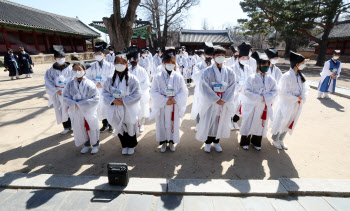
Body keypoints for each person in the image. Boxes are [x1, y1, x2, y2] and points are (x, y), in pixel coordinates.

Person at [196, 46, 236, 153]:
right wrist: (215, 99)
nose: (221, 58)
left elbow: (232, 86)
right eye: (218, 56)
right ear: (213, 57)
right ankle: (208, 142)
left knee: (220, 121)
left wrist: (224, 99)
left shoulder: (229, 72)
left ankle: (216, 142)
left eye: (223, 56)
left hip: (223, 102)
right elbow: (204, 86)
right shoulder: (207, 71)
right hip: (211, 102)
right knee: (209, 121)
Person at [102, 54, 141, 155]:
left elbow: (137, 93)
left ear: (126, 64)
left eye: (122, 63)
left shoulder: (132, 79)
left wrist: (124, 101)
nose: (120, 65)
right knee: (119, 126)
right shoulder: (109, 79)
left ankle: (131, 145)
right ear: (114, 64)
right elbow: (105, 92)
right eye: (117, 63)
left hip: (128, 108)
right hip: (115, 107)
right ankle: (124, 145)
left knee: (130, 126)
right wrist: (113, 100)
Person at [149, 53, 188, 153]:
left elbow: (183, 90)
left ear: (175, 64)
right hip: (163, 105)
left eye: (172, 63)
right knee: (161, 123)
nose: (170, 64)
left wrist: (175, 99)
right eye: (168, 63)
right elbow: (153, 91)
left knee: (173, 123)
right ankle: (163, 142)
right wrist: (165, 100)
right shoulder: (157, 77)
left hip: (174, 105)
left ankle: (171, 141)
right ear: (163, 63)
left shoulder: (178, 77)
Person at [271, 51, 310, 150]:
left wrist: (303, 96)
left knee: (290, 121)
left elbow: (306, 88)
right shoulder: (286, 76)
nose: (304, 65)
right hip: (286, 104)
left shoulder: (300, 76)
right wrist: (296, 98)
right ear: (297, 64)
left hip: (296, 105)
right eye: (302, 63)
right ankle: (275, 139)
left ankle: (281, 139)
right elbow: (283, 92)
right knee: (281, 120)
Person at [239, 52, 278, 151]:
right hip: (252, 105)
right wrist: (258, 97)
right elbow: (246, 91)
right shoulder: (251, 78)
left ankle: (256, 141)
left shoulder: (271, 79)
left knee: (260, 124)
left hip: (263, 105)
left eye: (267, 65)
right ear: (258, 65)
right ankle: (245, 141)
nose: (265, 66)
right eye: (263, 64)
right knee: (248, 122)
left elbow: (275, 90)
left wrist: (266, 97)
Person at [63, 62, 100, 154]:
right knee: (79, 127)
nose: (77, 71)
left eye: (79, 70)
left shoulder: (90, 84)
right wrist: (73, 103)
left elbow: (95, 98)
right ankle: (86, 144)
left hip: (88, 110)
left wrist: (81, 104)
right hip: (76, 110)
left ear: (84, 71)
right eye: (75, 70)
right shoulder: (70, 84)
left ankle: (95, 144)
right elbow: (65, 96)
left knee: (92, 126)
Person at [44, 45, 73, 134]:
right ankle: (66, 127)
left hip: (69, 93)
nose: (61, 58)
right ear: (55, 58)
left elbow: (73, 79)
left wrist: (67, 90)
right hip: (58, 93)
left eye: (63, 57)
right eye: (59, 57)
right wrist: (56, 90)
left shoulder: (70, 68)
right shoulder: (50, 70)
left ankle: (74, 126)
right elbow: (48, 81)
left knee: (71, 110)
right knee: (61, 110)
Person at [86, 45, 115, 133]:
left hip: (107, 89)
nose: (98, 55)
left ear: (104, 55)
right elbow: (87, 77)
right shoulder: (91, 66)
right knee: (100, 108)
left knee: (108, 107)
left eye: (100, 53)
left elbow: (112, 76)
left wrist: (103, 83)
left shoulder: (110, 65)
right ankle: (104, 124)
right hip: (96, 90)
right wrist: (95, 83)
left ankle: (111, 125)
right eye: (96, 53)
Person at [231, 42, 255, 130]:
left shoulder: (248, 68)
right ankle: (230, 121)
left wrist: (246, 88)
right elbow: (232, 81)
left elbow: (251, 79)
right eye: (243, 57)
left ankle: (235, 121)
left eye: (246, 58)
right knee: (232, 106)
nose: (245, 59)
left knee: (241, 107)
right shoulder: (233, 68)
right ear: (239, 58)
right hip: (235, 92)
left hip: (245, 92)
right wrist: (238, 88)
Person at [127, 51, 150, 133]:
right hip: (130, 93)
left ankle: (141, 124)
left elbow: (146, 82)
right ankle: (133, 124)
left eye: (134, 59)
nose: (132, 61)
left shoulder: (142, 70)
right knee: (132, 109)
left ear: (137, 60)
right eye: (130, 59)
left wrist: (137, 88)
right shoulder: (127, 70)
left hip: (141, 93)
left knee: (142, 108)